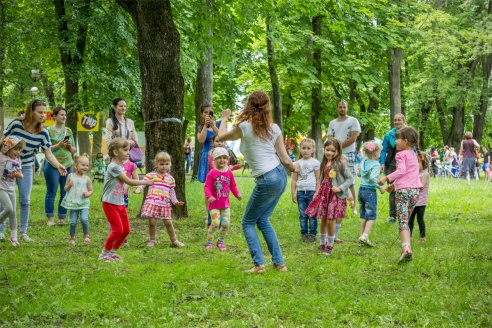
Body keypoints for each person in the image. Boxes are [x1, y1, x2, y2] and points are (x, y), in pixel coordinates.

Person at [217, 91, 298, 273]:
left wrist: (224, 118)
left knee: (248, 222)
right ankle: (279, 263)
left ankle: (259, 265)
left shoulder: (245, 127)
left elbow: (220, 137)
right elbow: (285, 160)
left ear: (249, 105)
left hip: (267, 179)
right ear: (267, 106)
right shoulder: (274, 128)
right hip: (279, 175)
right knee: (262, 220)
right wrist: (294, 169)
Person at [0, 99, 68, 242]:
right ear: (31, 111)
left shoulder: (43, 133)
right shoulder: (16, 124)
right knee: (4, 197)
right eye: (40, 112)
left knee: (25, 200)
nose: (43, 115)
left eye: (44, 112)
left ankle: (23, 232)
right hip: (6, 165)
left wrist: (58, 165)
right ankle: (1, 231)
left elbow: (48, 153)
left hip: (25, 166)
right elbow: (3, 140)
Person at [98, 138, 153, 262]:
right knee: (117, 230)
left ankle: (112, 253)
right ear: (116, 152)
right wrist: (145, 182)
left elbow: (125, 183)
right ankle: (103, 254)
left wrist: (128, 186)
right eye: (125, 150)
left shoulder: (120, 166)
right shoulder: (113, 167)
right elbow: (128, 180)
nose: (128, 152)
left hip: (120, 202)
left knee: (126, 230)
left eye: (128, 150)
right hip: (109, 202)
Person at [377, 126, 422, 264]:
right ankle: (407, 247)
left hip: (403, 193)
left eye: (398, 139)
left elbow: (401, 171)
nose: (395, 141)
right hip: (415, 192)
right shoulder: (414, 155)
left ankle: (406, 249)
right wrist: (393, 186)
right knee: (406, 220)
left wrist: (386, 178)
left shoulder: (400, 154)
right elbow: (410, 176)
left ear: (406, 141)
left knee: (402, 221)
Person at [305, 138, 354, 255]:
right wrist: (317, 192)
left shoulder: (340, 163)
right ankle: (322, 243)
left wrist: (340, 188)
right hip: (324, 194)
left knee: (331, 220)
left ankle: (330, 246)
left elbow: (350, 178)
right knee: (323, 219)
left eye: (333, 151)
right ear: (324, 149)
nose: (330, 153)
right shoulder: (324, 162)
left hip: (335, 195)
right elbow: (322, 179)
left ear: (338, 151)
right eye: (327, 150)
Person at [137, 151, 185, 248]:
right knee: (152, 222)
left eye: (167, 164)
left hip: (164, 204)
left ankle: (174, 240)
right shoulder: (151, 175)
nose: (164, 166)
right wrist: (139, 188)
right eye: (161, 164)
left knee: (168, 222)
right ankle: (152, 240)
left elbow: (171, 192)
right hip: (152, 202)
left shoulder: (170, 178)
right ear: (156, 164)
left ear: (170, 165)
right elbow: (144, 182)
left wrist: (175, 201)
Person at [204, 147, 242, 251]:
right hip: (214, 205)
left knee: (225, 224)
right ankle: (209, 242)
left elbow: (233, 185)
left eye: (225, 158)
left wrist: (237, 194)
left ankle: (220, 242)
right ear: (214, 160)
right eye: (219, 158)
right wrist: (210, 196)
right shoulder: (212, 173)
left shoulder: (229, 172)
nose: (222, 160)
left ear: (228, 159)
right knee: (215, 223)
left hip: (225, 205)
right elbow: (206, 187)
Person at [327, 100, 360, 217]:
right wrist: (334, 150)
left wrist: (338, 148)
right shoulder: (332, 123)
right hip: (334, 155)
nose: (342, 109)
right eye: (340, 107)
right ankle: (337, 206)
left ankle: (354, 206)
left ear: (347, 108)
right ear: (337, 108)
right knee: (334, 180)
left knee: (349, 181)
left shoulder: (353, 121)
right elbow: (330, 138)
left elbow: (353, 138)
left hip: (349, 153)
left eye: (344, 107)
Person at [44, 106, 77, 226]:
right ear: (54, 116)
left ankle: (62, 217)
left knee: (65, 191)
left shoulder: (68, 131)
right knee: (51, 191)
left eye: (65, 115)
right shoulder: (48, 131)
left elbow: (74, 149)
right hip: (53, 165)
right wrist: (58, 145)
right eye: (61, 114)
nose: (64, 117)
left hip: (68, 165)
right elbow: (45, 150)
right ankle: (50, 218)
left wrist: (68, 145)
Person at [291, 138, 320, 243]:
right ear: (300, 149)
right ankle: (304, 233)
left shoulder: (316, 163)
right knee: (303, 215)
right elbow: (294, 179)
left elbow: (318, 179)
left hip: (312, 192)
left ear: (313, 150)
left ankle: (312, 234)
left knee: (312, 214)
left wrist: (317, 192)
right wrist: (293, 193)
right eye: (303, 148)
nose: (305, 150)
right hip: (301, 193)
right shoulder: (297, 163)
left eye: (308, 148)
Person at [379, 113, 406, 223]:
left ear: (404, 120)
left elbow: (414, 149)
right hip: (391, 165)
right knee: (392, 190)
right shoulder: (389, 135)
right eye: (395, 120)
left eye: (399, 120)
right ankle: (392, 215)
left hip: (404, 165)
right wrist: (381, 162)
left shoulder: (408, 133)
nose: (397, 122)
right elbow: (383, 150)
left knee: (404, 190)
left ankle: (404, 214)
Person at [62, 153, 93, 246]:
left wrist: (88, 194)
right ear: (76, 166)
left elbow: (91, 190)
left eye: (87, 165)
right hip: (73, 203)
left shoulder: (87, 179)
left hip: (83, 203)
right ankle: (72, 237)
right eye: (83, 165)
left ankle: (86, 236)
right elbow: (65, 188)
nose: (85, 167)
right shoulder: (70, 176)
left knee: (84, 219)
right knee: (73, 222)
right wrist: (69, 186)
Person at [357, 141, 384, 247]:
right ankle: (365, 236)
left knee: (364, 215)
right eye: (380, 152)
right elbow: (373, 178)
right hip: (370, 192)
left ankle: (361, 236)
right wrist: (380, 187)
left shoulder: (363, 162)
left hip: (361, 190)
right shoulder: (376, 165)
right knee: (371, 216)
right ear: (375, 153)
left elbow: (359, 173)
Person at [0, 136, 25, 246]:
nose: (18, 152)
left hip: (11, 189)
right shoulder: (1, 157)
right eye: (15, 149)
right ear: (7, 149)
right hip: (1, 188)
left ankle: (13, 237)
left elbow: (21, 175)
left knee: (13, 213)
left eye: (19, 149)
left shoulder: (17, 160)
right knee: (9, 208)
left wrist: (16, 174)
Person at [408, 151, 430, 244]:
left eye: (418, 162)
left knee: (420, 219)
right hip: (412, 201)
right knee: (410, 219)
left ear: (424, 163)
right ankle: (409, 236)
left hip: (421, 201)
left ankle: (422, 237)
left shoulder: (425, 174)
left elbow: (422, 186)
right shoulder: (413, 173)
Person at [196, 104, 221, 183]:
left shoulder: (219, 124)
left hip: (219, 155)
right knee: (209, 182)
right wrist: (205, 125)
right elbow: (201, 140)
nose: (208, 114)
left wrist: (213, 125)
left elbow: (223, 137)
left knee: (220, 180)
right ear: (202, 114)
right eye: (205, 112)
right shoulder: (200, 127)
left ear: (213, 112)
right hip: (207, 156)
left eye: (210, 112)